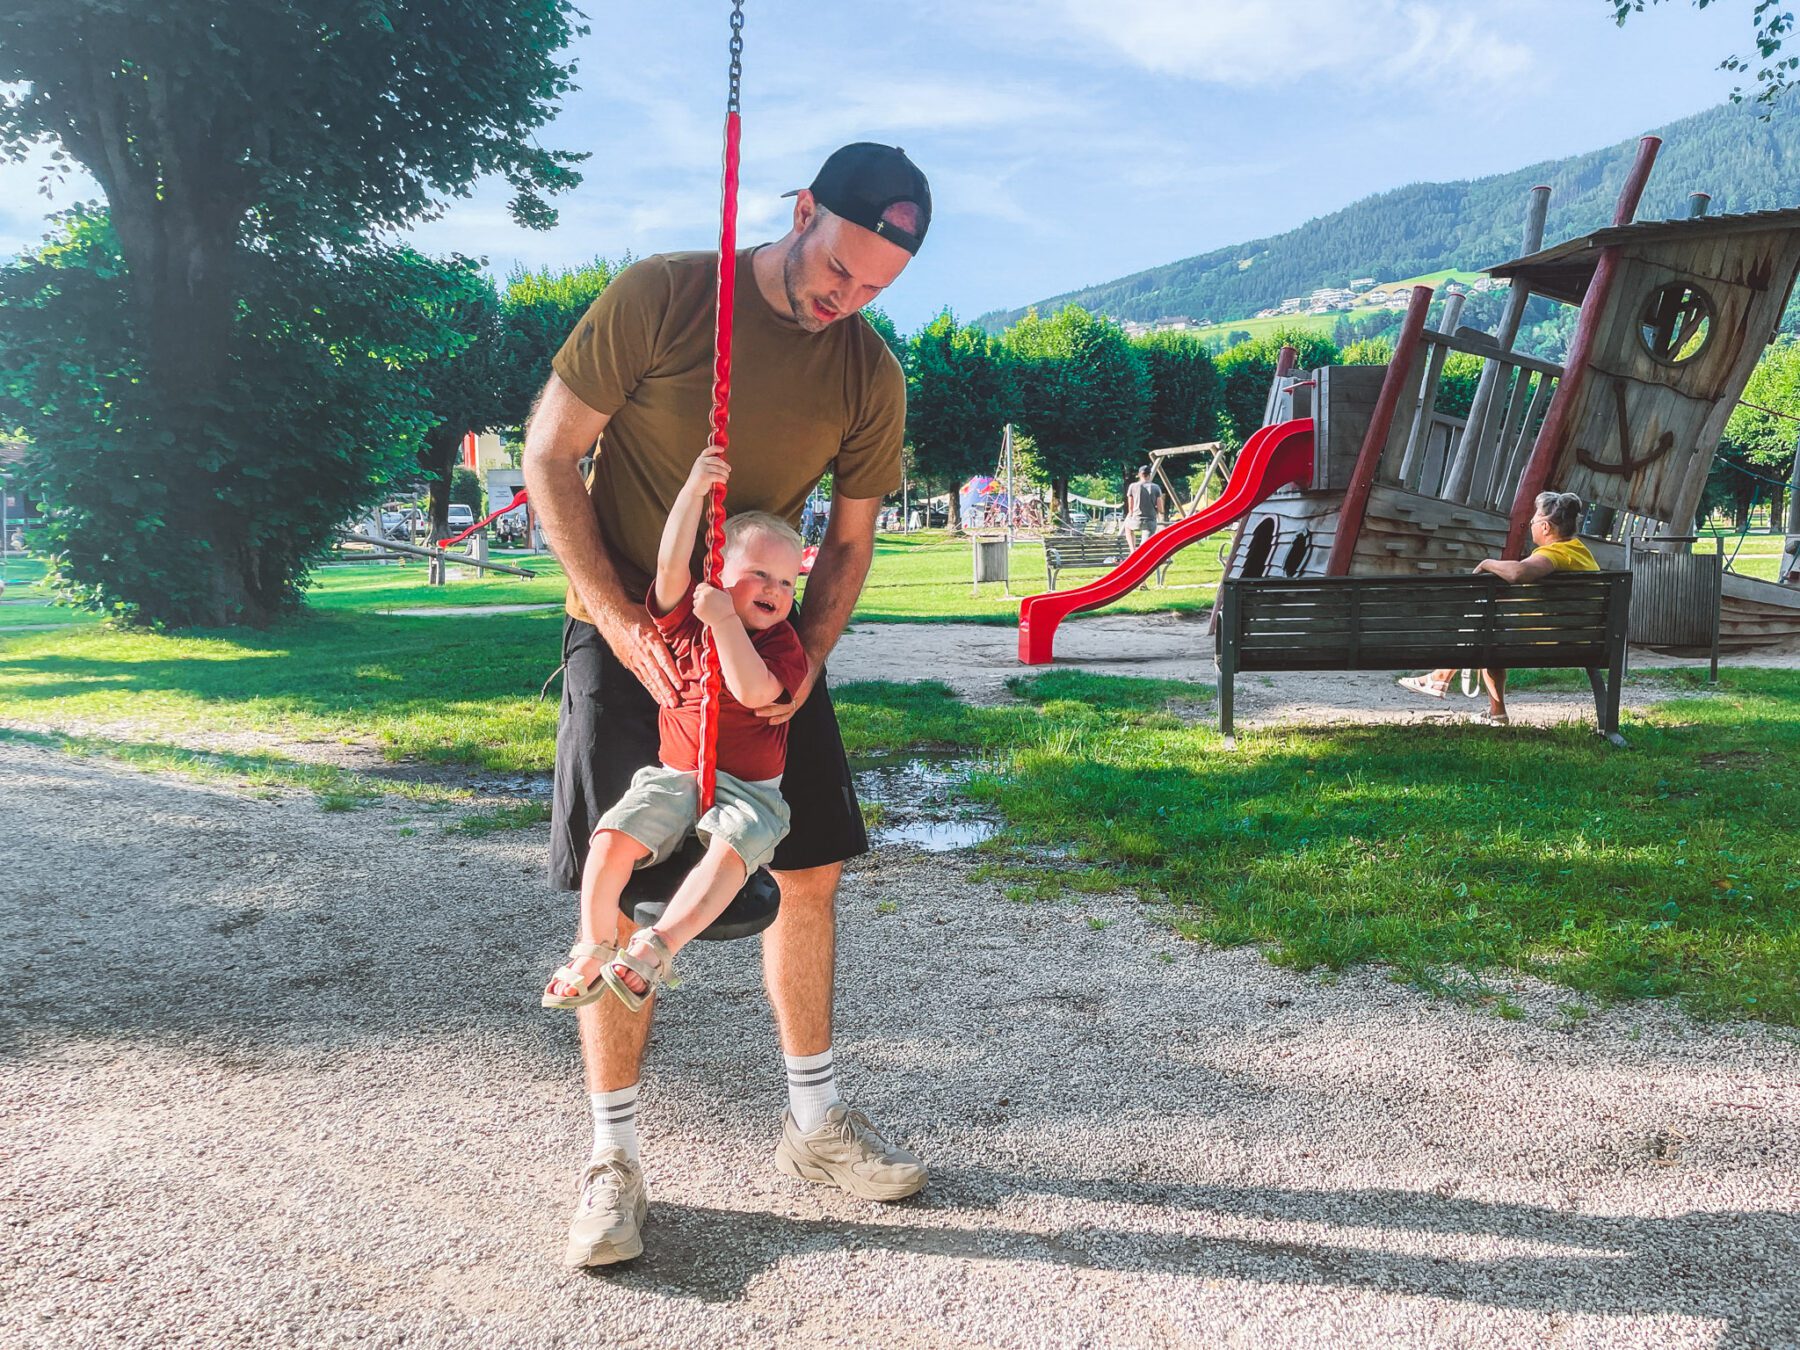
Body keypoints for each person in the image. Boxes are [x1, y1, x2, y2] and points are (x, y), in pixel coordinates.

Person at [522, 142, 932, 1268]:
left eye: (872, 291)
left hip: (763, 650)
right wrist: (618, 626)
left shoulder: (866, 373)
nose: (843, 302)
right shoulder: (663, 297)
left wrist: (799, 664)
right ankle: (613, 1163)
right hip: (633, 632)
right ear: (799, 210)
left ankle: (815, 1128)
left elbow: (849, 541)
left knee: (808, 873)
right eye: (836, 271)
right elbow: (550, 455)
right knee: (620, 885)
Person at [540, 447, 808, 1013]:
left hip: (750, 793)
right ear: (715, 574)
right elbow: (669, 565)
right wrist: (692, 489)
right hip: (674, 777)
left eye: (787, 581)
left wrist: (727, 620)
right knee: (610, 837)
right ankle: (590, 946)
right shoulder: (686, 617)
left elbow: (754, 692)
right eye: (759, 574)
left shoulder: (781, 644)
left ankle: (655, 949)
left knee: (731, 852)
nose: (777, 590)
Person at [1399, 490, 1598, 726]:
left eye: (1534, 521)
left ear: (1546, 528)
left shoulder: (1554, 554)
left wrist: (1487, 563)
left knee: (1490, 630)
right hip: (1580, 638)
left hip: (1550, 640)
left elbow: (1517, 573)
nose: (1531, 525)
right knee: (1492, 627)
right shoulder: (1579, 551)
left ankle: (1441, 677)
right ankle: (1492, 712)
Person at [1123, 464, 1164, 551]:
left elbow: (1130, 504)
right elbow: (1160, 508)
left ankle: (1132, 549)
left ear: (1139, 474)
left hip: (1136, 518)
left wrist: (1130, 513)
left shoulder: (1132, 486)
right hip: (1150, 520)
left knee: (1127, 526)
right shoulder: (1156, 487)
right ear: (1149, 474)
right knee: (1144, 544)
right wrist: (1159, 512)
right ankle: (1140, 552)